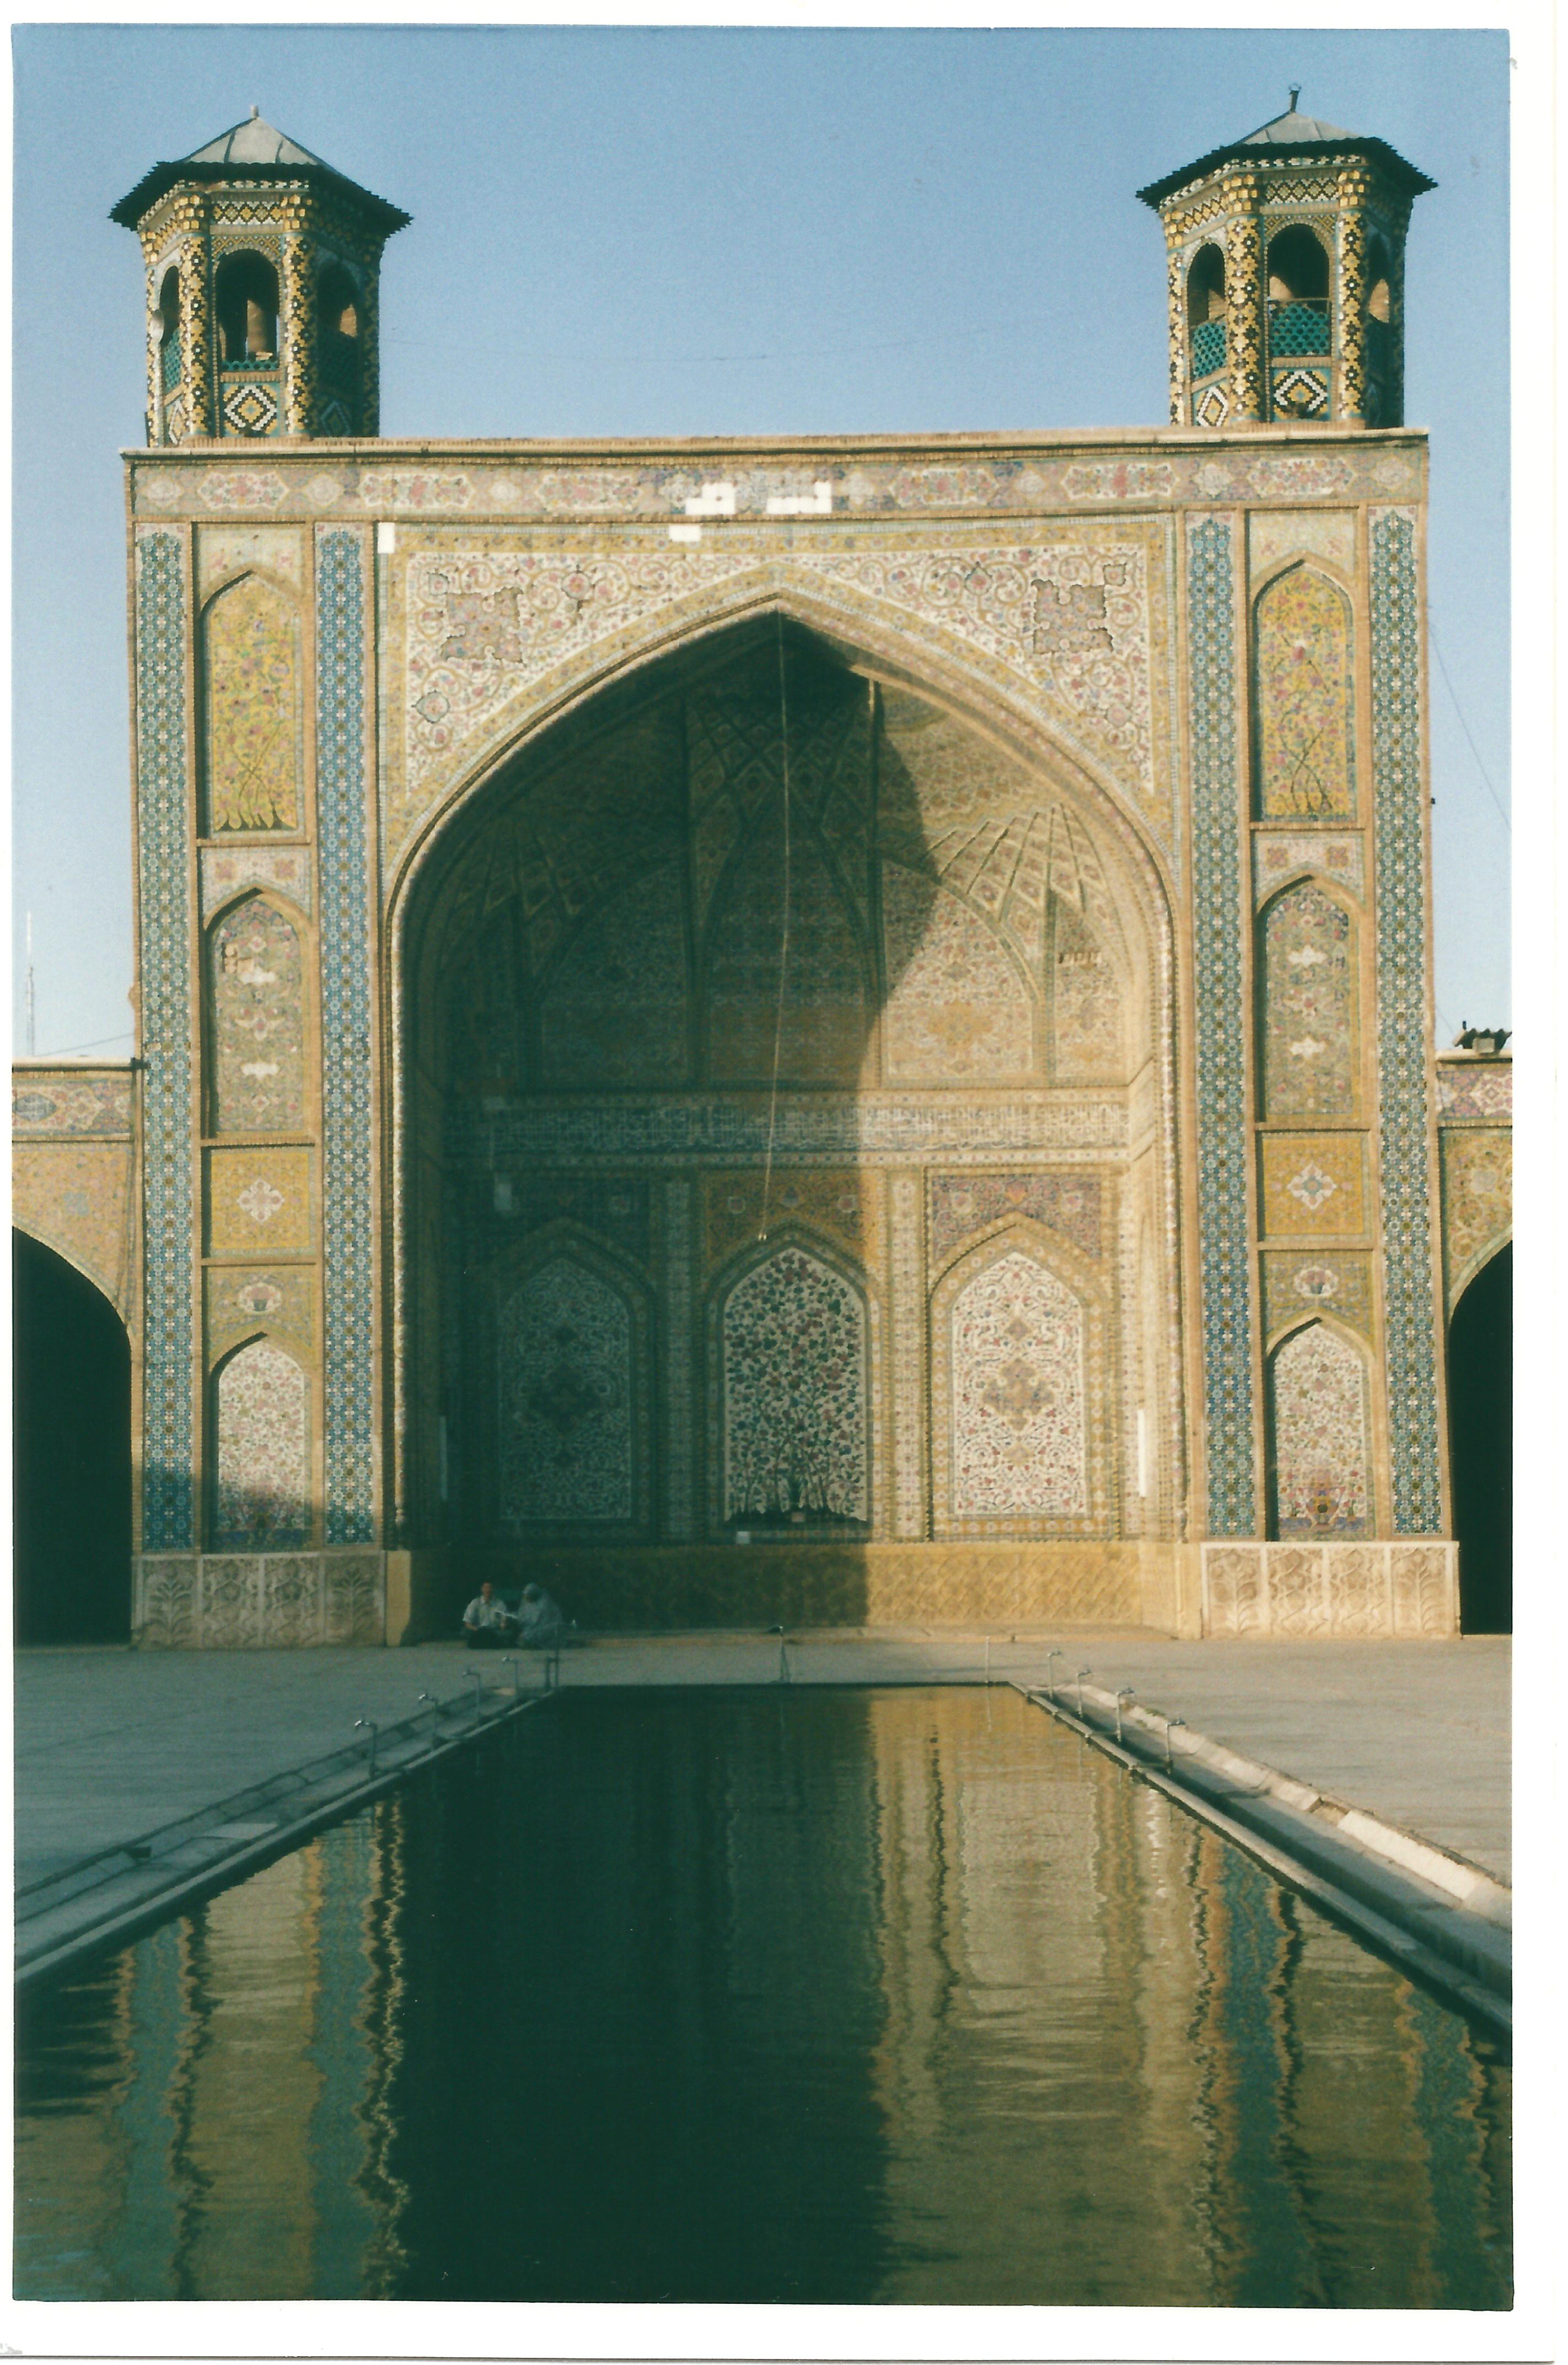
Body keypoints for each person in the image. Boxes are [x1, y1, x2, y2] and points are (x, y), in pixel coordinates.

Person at [461, 1579, 515, 1649]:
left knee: (507, 1633)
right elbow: (467, 1624)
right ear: (482, 1589)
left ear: (493, 1589)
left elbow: (504, 1621)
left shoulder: (500, 1603)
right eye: (486, 1588)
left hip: (494, 1631)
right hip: (478, 1631)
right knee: (466, 1632)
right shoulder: (475, 1603)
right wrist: (478, 1630)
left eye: (490, 1588)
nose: (488, 1590)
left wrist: (504, 1624)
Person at [516, 1581, 565, 1651]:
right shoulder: (527, 1603)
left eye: (528, 1596)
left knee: (531, 1635)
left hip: (547, 1628)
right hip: (532, 1628)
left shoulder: (544, 1604)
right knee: (526, 1634)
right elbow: (523, 1616)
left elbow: (540, 1622)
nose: (526, 1598)